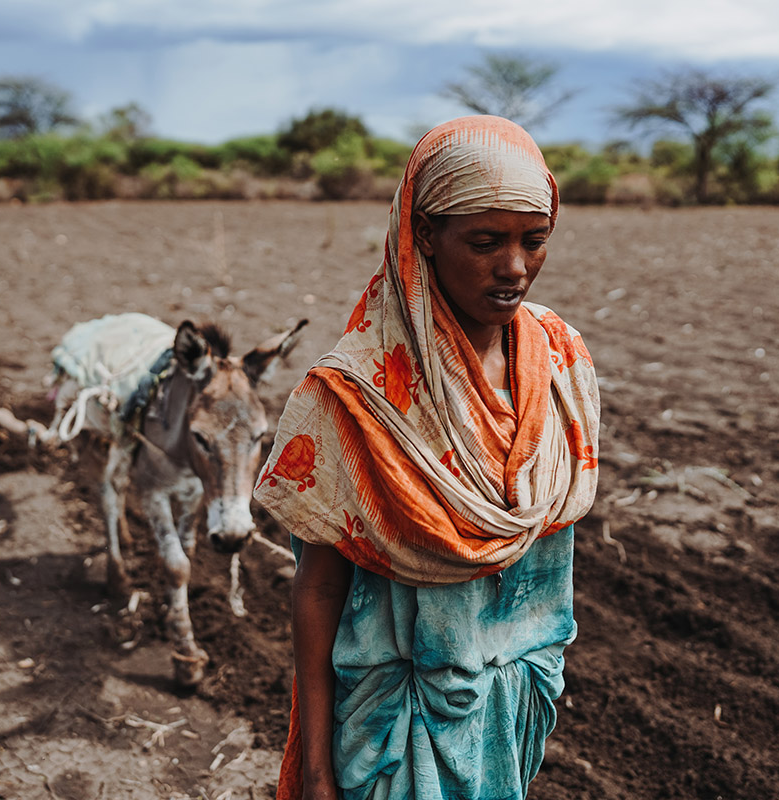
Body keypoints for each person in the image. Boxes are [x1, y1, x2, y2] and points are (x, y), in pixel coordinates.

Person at [254, 116, 600, 800]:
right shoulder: (355, 394)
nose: (514, 267)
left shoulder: (560, 364)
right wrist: (317, 773)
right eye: (484, 242)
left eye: (535, 241)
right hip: (396, 717)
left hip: (512, 704)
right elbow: (319, 588)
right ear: (423, 238)